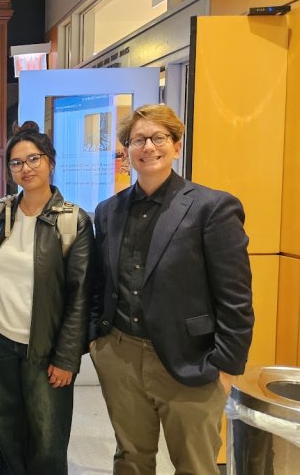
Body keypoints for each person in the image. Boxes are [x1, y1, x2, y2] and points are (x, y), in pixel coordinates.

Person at [90, 104, 254, 474]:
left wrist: (227, 366)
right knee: (131, 458)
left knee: (195, 465)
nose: (148, 147)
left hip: (192, 360)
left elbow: (236, 296)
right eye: (138, 140)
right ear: (127, 151)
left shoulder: (211, 207)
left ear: (176, 146)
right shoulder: (107, 211)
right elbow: (99, 281)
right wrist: (96, 341)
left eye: (158, 137)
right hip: (121, 353)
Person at [0, 122, 94, 475]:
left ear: (50, 162)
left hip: (46, 350)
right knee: (8, 437)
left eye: (33, 159)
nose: (25, 168)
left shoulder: (73, 220)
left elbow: (80, 297)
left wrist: (67, 357)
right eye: (16, 163)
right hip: (0, 342)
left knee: (47, 444)